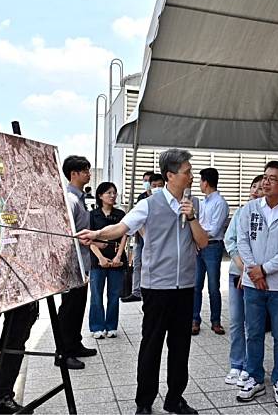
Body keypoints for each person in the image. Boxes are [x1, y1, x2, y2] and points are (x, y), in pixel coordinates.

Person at [77, 148, 208, 415]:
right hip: (156, 287)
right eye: (187, 172)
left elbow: (203, 242)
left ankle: (175, 399)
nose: (192, 176)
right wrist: (97, 233)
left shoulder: (193, 203)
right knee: (152, 345)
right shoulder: (149, 204)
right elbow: (122, 228)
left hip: (184, 287)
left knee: (181, 347)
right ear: (170, 175)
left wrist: (192, 217)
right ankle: (144, 402)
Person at [235, 161, 278, 408]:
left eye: (272, 179)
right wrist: (254, 271)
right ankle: (254, 377)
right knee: (253, 333)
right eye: (265, 177)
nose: (265, 182)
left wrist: (263, 270)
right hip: (253, 285)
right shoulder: (250, 208)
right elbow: (242, 241)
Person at [56, 155, 99, 370]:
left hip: (82, 262)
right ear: (74, 174)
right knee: (69, 309)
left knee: (78, 305)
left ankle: (75, 343)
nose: (88, 174)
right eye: (85, 171)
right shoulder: (70, 199)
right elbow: (65, 233)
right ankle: (63, 353)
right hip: (72, 263)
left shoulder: (80, 198)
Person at [223, 174, 264, 387]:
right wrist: (244, 270)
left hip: (258, 276)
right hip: (238, 272)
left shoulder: (267, 215)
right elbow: (230, 241)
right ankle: (236, 363)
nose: (256, 191)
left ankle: (251, 366)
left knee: (253, 324)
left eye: (261, 188)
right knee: (237, 321)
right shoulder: (240, 212)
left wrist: (252, 273)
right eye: (253, 187)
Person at [192, 168, 229, 335]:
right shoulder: (201, 202)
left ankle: (216, 321)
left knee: (214, 286)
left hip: (212, 246)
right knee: (196, 285)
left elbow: (214, 229)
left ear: (205, 182)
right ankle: (194, 319)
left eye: (200, 181)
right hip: (198, 246)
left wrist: (200, 236)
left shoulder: (220, 203)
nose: (199, 184)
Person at [89, 182, 128, 339]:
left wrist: (118, 255)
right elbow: (89, 238)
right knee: (96, 294)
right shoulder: (92, 215)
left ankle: (111, 325)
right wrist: (100, 257)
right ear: (100, 196)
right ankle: (97, 326)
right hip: (97, 259)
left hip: (117, 259)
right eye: (109, 193)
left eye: (114, 193)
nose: (112, 196)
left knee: (114, 294)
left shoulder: (120, 214)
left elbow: (125, 234)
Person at [122, 171, 156, 303]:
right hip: (140, 236)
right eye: (145, 180)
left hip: (153, 237)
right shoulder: (141, 198)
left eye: (149, 181)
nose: (146, 183)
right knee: (137, 263)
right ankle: (136, 291)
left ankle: (148, 289)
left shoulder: (159, 199)